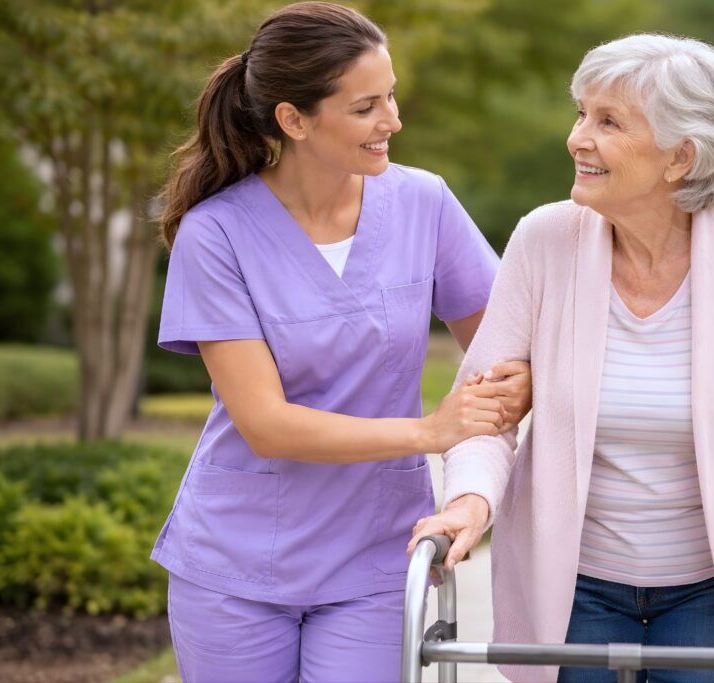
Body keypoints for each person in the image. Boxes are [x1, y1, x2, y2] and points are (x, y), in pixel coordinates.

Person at [409, 34, 714, 683]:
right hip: (576, 586)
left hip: (712, 588)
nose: (576, 138)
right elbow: (488, 411)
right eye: (581, 113)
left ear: (680, 156)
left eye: (608, 121)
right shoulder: (545, 240)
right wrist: (471, 500)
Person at [153, 3, 530, 681]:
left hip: (378, 555)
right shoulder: (216, 235)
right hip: (237, 562)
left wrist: (504, 406)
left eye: (390, 97)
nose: (393, 121)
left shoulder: (425, 203)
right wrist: (429, 431)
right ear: (294, 120)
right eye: (366, 107)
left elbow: (504, 353)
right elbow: (265, 423)